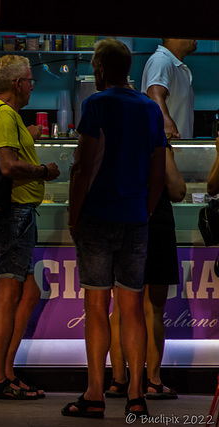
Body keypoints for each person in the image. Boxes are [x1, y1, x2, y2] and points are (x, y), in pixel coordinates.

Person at [62, 38, 166, 419]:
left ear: (101, 69)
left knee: (95, 306)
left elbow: (82, 165)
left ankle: (94, 394)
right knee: (133, 307)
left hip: (98, 216)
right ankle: (137, 397)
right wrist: (146, 209)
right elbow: (158, 169)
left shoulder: (96, 104)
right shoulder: (150, 109)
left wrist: (74, 216)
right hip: (136, 217)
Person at [105, 38, 192, 401]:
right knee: (151, 305)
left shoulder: (111, 128)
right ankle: (152, 379)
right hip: (153, 218)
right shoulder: (156, 130)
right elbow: (176, 190)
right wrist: (167, 140)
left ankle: (118, 379)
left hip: (121, 215)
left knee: (120, 305)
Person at [0, 55, 59, 401]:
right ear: (16, 85)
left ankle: (6, 372)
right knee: (8, 293)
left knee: (28, 292)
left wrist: (27, 135)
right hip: (13, 213)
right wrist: (43, 172)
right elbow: (8, 166)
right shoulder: (8, 114)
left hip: (12, 214)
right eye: (29, 80)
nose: (31, 86)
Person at [140, 39, 196, 139]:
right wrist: (166, 123)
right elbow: (154, 94)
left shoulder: (174, 64)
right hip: (166, 149)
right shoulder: (161, 60)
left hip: (176, 149)